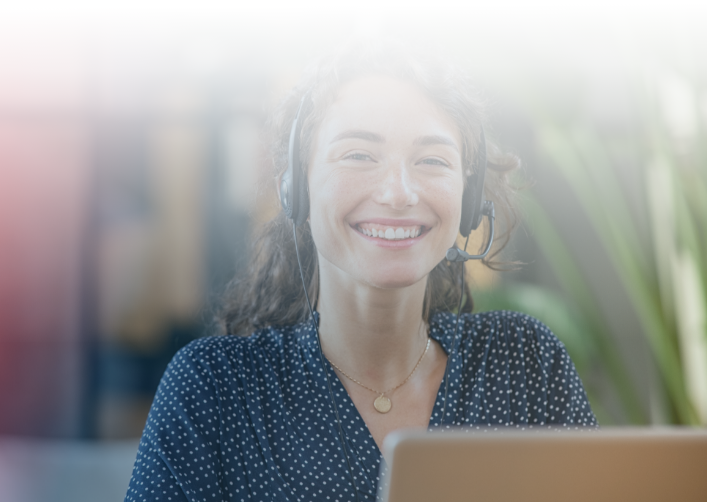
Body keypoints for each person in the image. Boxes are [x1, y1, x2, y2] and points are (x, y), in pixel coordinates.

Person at [125, 40, 597, 502]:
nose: (398, 192)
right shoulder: (215, 391)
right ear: (296, 189)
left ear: (468, 200)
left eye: (431, 160)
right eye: (359, 155)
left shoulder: (523, 365)